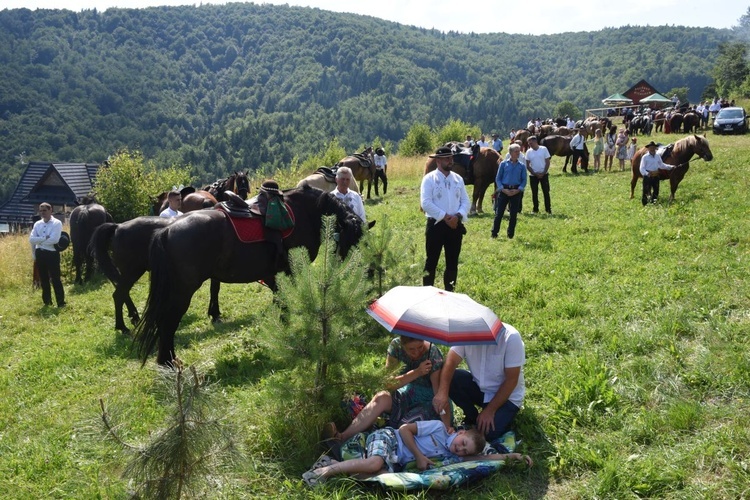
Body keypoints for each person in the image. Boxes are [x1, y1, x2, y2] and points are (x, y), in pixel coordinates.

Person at [303, 420, 532, 486]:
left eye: (464, 451)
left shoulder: (455, 457)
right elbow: (404, 429)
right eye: (462, 443)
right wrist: (420, 456)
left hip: (395, 459)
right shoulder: (439, 429)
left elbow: (483, 458)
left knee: (380, 478)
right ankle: (327, 470)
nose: (460, 449)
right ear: (460, 432)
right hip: (389, 438)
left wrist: (513, 457)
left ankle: (331, 463)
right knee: (374, 465)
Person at [323, 336, 451, 444]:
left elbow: (439, 395)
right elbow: (388, 384)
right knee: (381, 398)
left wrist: (446, 426)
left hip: (427, 402)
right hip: (406, 393)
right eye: (411, 349)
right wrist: (417, 372)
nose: (416, 353)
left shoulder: (432, 354)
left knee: (404, 426)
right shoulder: (396, 347)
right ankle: (342, 437)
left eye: (420, 347)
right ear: (402, 344)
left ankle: (372, 445)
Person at [433, 322, 525, 449]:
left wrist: (490, 410)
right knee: (454, 378)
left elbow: (511, 380)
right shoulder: (466, 332)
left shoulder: (511, 338)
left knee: (487, 434)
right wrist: (442, 392)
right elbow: (451, 361)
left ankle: (488, 419)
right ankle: (472, 417)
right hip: (480, 388)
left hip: (507, 396)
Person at [420, 146, 470, 292]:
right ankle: (427, 294)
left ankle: (450, 293)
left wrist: (458, 216)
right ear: (438, 161)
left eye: (451, 158)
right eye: (447, 158)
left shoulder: (458, 179)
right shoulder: (429, 179)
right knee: (431, 262)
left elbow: (465, 201)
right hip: (436, 225)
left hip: (455, 225)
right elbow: (426, 202)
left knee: (452, 262)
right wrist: (445, 217)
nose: (450, 161)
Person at [29, 203, 65, 307]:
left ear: (50, 210)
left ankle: (61, 302)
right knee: (43, 279)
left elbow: (54, 239)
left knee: (56, 279)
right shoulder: (37, 224)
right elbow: (31, 239)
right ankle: (47, 302)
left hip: (52, 254)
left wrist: (39, 240)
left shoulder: (56, 223)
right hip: (40, 253)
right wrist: (45, 238)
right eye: (40, 211)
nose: (42, 213)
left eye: (44, 210)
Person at [491, 143, 526, 239]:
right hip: (504, 191)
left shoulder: (522, 166)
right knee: (499, 213)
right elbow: (498, 178)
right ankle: (494, 233)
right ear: (510, 152)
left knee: (513, 214)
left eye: (519, 151)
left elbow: (524, 180)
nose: (518, 153)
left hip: (516, 191)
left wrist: (519, 190)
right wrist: (502, 189)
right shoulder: (503, 164)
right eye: (516, 151)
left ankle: (510, 234)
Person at [639, 140, 674, 205]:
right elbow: (641, 168)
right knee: (646, 190)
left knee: (656, 190)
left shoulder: (657, 156)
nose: (652, 149)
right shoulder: (645, 157)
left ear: (655, 148)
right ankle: (645, 204)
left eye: (653, 147)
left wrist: (671, 167)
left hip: (656, 175)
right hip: (648, 176)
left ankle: (653, 202)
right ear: (648, 148)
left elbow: (661, 165)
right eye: (651, 147)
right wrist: (647, 174)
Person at [525, 136, 551, 214]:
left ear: (535, 142)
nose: (530, 145)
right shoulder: (528, 152)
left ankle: (548, 209)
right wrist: (534, 173)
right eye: (529, 143)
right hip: (533, 176)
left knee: (546, 192)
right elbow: (527, 165)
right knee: (534, 193)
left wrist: (543, 172)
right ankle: (535, 209)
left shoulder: (544, 149)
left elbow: (547, 162)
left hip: (544, 174)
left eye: (531, 143)